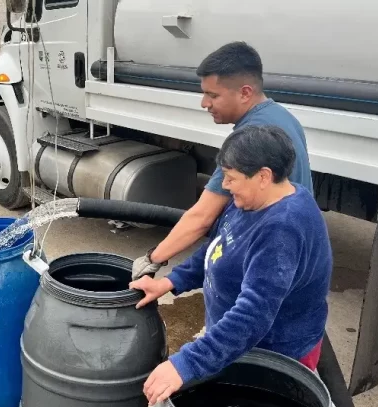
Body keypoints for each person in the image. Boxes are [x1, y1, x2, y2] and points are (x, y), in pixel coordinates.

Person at [128, 125, 332, 406]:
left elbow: (253, 315)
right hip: (233, 344)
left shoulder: (281, 230)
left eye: (231, 178)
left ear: (263, 176)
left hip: (272, 355)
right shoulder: (250, 201)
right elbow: (219, 248)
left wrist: (185, 363)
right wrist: (168, 282)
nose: (224, 185)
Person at [131, 42, 313, 282]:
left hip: (264, 260)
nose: (204, 103)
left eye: (212, 95)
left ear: (245, 93)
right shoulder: (283, 116)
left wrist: (152, 259)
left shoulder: (250, 139)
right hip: (291, 249)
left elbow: (202, 217)